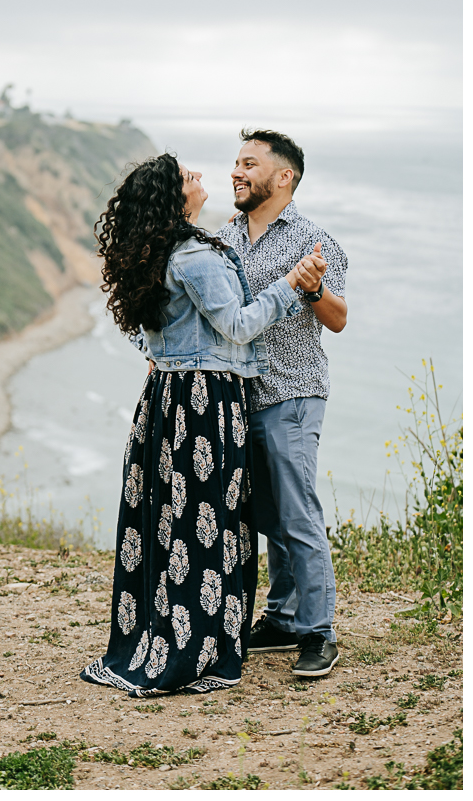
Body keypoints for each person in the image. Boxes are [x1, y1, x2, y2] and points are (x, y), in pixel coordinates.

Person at [80, 153, 325, 697]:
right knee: (205, 519)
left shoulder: (155, 253)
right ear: (176, 199)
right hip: (205, 402)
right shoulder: (195, 254)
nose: (200, 179)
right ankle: (201, 644)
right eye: (189, 178)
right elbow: (238, 326)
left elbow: (145, 335)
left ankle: (161, 631)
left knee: (169, 520)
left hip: (165, 398)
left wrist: (165, 355)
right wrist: (288, 286)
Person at [214, 128, 348, 678]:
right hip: (239, 398)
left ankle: (319, 633)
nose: (236, 173)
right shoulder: (227, 235)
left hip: (292, 393)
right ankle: (283, 616)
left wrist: (313, 289)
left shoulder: (313, 240)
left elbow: (337, 318)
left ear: (283, 176)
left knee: (297, 513)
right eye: (236, 163)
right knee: (267, 514)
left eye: (249, 164)